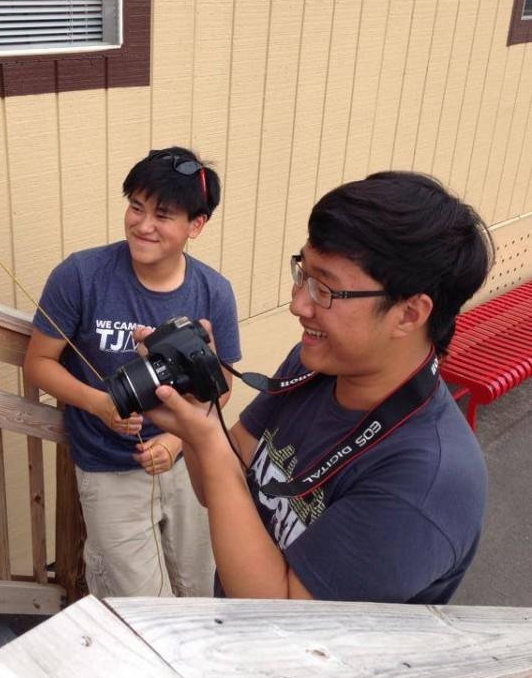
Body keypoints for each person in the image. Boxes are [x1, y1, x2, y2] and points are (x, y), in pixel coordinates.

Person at [140, 171, 494, 603]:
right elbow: (216, 488)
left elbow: (282, 619)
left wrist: (205, 436)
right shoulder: (315, 367)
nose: (298, 303)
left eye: (324, 289)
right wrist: (201, 404)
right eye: (302, 273)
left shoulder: (428, 480)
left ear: (409, 314)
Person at [23, 147, 241, 598]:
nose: (143, 225)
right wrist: (100, 403)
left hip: (187, 466)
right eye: (136, 207)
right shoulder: (81, 275)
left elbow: (222, 385)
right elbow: (38, 363)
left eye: (163, 215)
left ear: (195, 225)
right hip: (106, 468)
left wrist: (178, 438)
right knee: (139, 601)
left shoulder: (213, 292)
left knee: (199, 585)